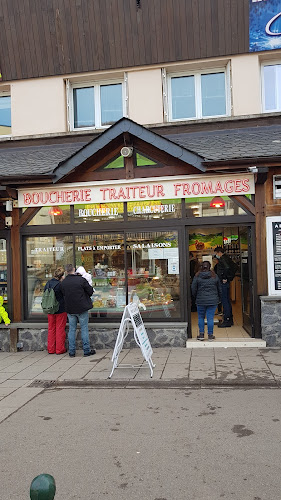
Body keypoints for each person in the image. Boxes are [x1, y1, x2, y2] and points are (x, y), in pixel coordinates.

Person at [61, 264, 96, 357]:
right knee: (84, 328)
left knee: (72, 329)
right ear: (73, 269)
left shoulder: (64, 282)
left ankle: (72, 352)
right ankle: (86, 351)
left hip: (70, 309)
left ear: (66, 271)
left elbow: (63, 294)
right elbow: (90, 291)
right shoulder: (81, 280)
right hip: (82, 307)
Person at [191, 261, 222, 341]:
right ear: (210, 266)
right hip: (212, 300)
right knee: (210, 318)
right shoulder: (214, 276)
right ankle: (210, 335)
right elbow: (219, 288)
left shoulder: (197, 276)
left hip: (200, 300)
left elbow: (193, 288)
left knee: (201, 317)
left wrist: (196, 297)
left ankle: (201, 335)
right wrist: (219, 298)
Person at [44, 267, 67, 355]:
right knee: (60, 329)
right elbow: (64, 295)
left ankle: (51, 349)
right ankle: (59, 349)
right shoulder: (60, 285)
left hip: (50, 309)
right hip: (60, 309)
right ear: (61, 276)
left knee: (51, 329)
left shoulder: (48, 283)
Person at [214, 246, 238, 328]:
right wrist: (229, 277)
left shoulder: (222, 259)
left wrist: (225, 278)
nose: (216, 255)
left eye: (216, 253)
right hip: (226, 282)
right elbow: (235, 267)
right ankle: (229, 319)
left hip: (223, 283)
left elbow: (227, 268)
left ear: (219, 252)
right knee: (227, 300)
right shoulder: (227, 258)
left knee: (225, 301)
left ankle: (227, 320)